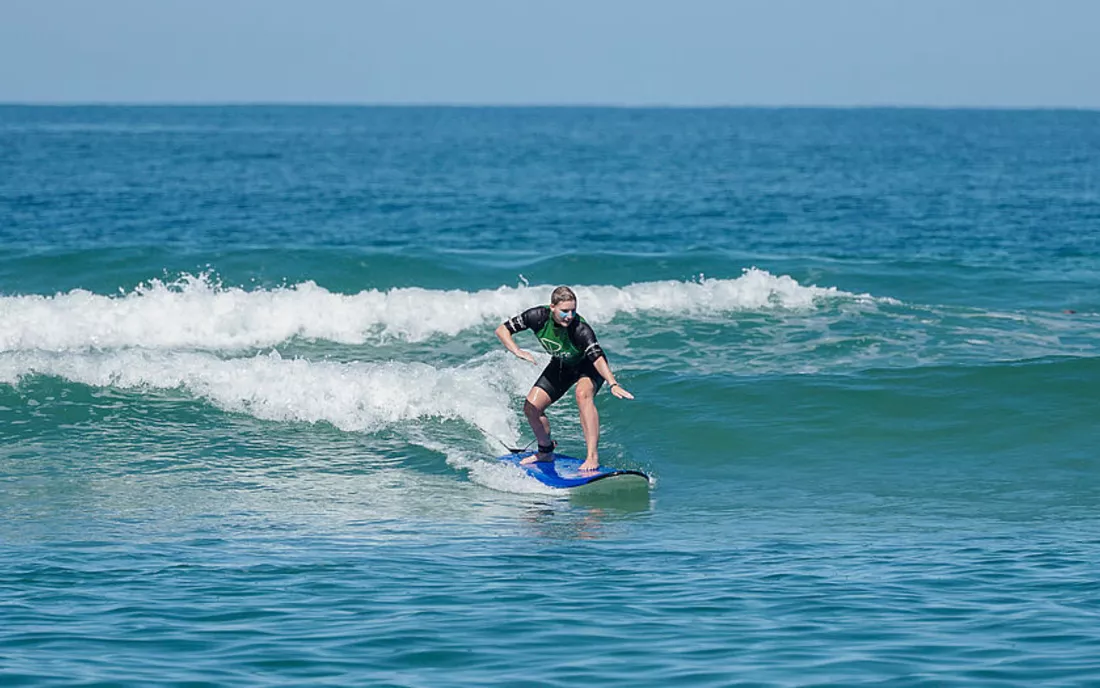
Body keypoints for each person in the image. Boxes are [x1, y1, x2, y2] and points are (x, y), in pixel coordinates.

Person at [495, 286, 634, 472]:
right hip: (562, 365)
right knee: (531, 408)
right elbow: (502, 330)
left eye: (573, 310)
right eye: (565, 311)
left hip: (588, 366)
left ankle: (592, 457)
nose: (570, 315)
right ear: (552, 307)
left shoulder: (580, 329)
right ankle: (545, 451)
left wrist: (612, 383)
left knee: (582, 394)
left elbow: (597, 356)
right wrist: (517, 351)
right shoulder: (536, 316)